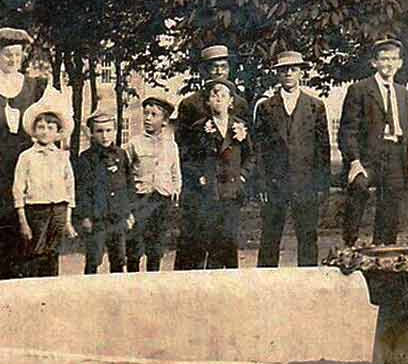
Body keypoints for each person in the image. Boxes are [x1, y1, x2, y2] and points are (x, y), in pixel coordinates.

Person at [250, 51, 332, 267]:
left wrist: (322, 184)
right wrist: (261, 184)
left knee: (307, 236)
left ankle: (308, 282)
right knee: (270, 236)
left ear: (300, 73)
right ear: (277, 74)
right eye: (283, 70)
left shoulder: (315, 106)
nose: (288, 73)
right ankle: (265, 283)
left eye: (293, 69)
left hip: (305, 183)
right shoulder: (266, 107)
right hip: (274, 183)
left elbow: (323, 150)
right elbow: (258, 149)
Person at [339, 38, 408, 247]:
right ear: (374, 63)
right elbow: (347, 130)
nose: (389, 64)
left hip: (395, 155)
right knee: (358, 189)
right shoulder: (360, 89)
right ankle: (349, 242)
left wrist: (404, 134)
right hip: (367, 157)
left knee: (391, 203)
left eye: (394, 59)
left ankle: (383, 249)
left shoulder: (402, 92)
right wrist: (354, 161)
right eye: (384, 59)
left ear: (400, 63)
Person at [0, 27, 47, 279]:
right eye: (7, 54)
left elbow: (52, 121)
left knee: (29, 215)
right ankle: (2, 278)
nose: (12, 60)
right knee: (1, 217)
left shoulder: (34, 86)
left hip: (27, 158)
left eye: (17, 55)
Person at [178, 80, 250, 269]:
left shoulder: (240, 126)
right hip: (209, 190)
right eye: (213, 95)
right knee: (211, 237)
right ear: (207, 102)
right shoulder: (199, 127)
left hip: (232, 190)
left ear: (231, 102)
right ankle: (212, 278)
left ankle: (231, 280)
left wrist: (243, 174)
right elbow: (188, 157)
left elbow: (251, 155)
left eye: (223, 95)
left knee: (230, 237)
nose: (218, 98)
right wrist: (199, 175)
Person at [12, 97, 77, 278]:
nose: (45, 132)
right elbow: (18, 189)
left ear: (57, 132)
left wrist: (68, 220)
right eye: (41, 127)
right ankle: (35, 291)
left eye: (50, 127)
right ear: (34, 130)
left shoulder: (62, 157)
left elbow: (69, 188)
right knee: (36, 252)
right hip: (36, 209)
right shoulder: (26, 157)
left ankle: (51, 289)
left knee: (53, 252)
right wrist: (23, 221)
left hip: (58, 208)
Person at [124, 91, 181, 271]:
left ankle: (153, 280)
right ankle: (133, 280)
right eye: (146, 114)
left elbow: (175, 171)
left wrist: (175, 190)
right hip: (140, 199)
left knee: (156, 245)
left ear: (164, 121)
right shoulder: (135, 143)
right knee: (135, 244)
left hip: (161, 200)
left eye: (153, 115)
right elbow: (125, 172)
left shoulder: (171, 145)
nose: (148, 118)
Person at [73, 111, 135, 274]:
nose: (105, 136)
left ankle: (117, 292)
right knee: (94, 258)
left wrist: (129, 213)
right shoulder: (86, 158)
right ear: (92, 133)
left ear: (114, 131)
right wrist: (85, 216)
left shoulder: (121, 155)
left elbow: (128, 185)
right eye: (99, 131)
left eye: (108, 130)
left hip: (118, 215)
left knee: (119, 258)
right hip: (97, 218)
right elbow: (82, 190)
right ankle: (90, 291)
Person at [174, 45, 250, 130]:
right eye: (214, 67)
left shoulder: (239, 103)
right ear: (205, 70)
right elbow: (181, 136)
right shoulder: (190, 103)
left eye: (224, 67)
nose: (219, 72)